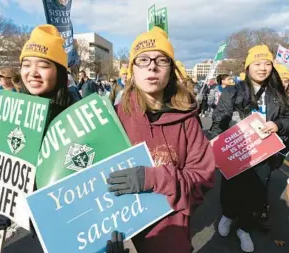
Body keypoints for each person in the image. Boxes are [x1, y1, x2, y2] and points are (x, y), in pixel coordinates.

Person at [106, 26, 216, 253]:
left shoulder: (188, 119)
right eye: (143, 60)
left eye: (161, 60)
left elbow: (202, 179)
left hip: (169, 238)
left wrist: (153, 178)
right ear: (132, 70)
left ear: (171, 70)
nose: (152, 66)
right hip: (119, 234)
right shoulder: (112, 117)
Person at [0, 24, 77, 239]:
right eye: (26, 64)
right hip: (36, 221)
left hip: (73, 219)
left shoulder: (77, 113)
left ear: (59, 72)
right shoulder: (14, 111)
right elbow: (8, 165)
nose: (33, 73)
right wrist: (1, 205)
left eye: (44, 65)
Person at [209, 45, 289, 252]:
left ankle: (244, 228)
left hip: (264, 154)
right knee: (231, 188)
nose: (263, 68)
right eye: (257, 63)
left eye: (267, 64)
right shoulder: (232, 91)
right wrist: (220, 146)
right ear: (247, 66)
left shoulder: (276, 93)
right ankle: (227, 216)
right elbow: (219, 121)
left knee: (255, 194)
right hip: (237, 151)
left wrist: (277, 125)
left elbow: (286, 118)